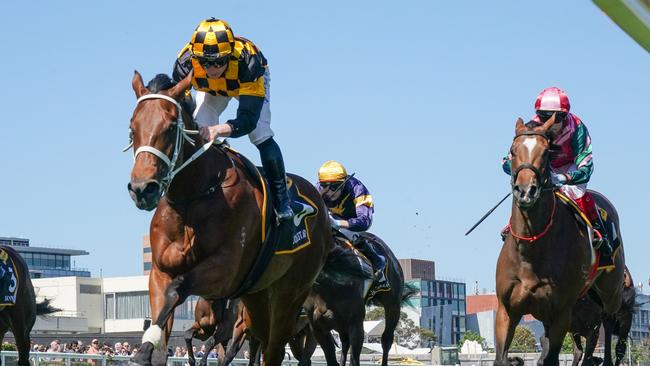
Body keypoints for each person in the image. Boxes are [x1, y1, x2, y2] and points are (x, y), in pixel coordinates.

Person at [173, 18, 293, 222]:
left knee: (260, 134)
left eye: (219, 61)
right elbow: (181, 110)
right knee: (200, 128)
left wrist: (219, 130)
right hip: (211, 90)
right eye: (205, 62)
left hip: (245, 83)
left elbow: (247, 120)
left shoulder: (249, 62)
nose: (212, 69)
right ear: (195, 57)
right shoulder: (184, 64)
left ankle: (282, 201)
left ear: (229, 54)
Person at [502, 87, 613, 266]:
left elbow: (587, 168)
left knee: (576, 193)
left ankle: (600, 232)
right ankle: (512, 227)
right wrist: (521, 171)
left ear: (565, 116)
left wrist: (563, 179)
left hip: (571, 166)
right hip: (543, 167)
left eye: (557, 117)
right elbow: (507, 162)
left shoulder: (577, 128)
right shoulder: (530, 129)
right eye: (545, 116)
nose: (551, 122)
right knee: (525, 194)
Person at [316, 160, 389, 289]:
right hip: (331, 217)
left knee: (347, 233)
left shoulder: (358, 189)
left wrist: (338, 223)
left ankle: (378, 263)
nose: (329, 191)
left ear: (343, 183)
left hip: (354, 219)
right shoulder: (317, 190)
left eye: (334, 187)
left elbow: (365, 222)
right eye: (324, 185)